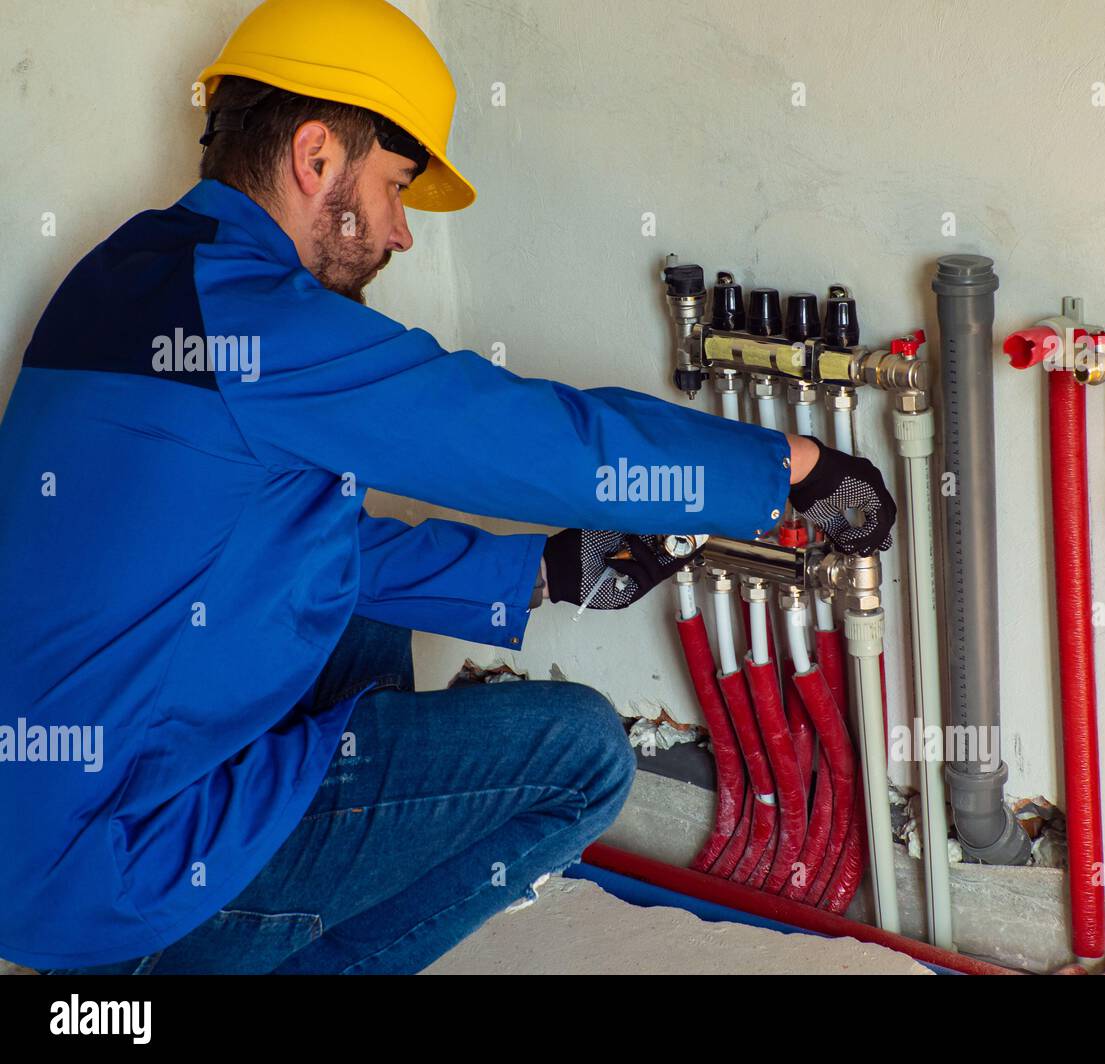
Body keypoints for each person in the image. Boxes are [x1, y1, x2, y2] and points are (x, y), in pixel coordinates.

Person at [0, 0, 895, 975]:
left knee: (354, 611)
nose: (400, 234)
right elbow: (505, 427)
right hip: (117, 876)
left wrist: (540, 571)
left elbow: (291, 551)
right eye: (393, 188)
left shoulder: (125, 275)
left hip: (38, 833)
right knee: (584, 755)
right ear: (314, 159)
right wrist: (786, 474)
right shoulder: (254, 319)